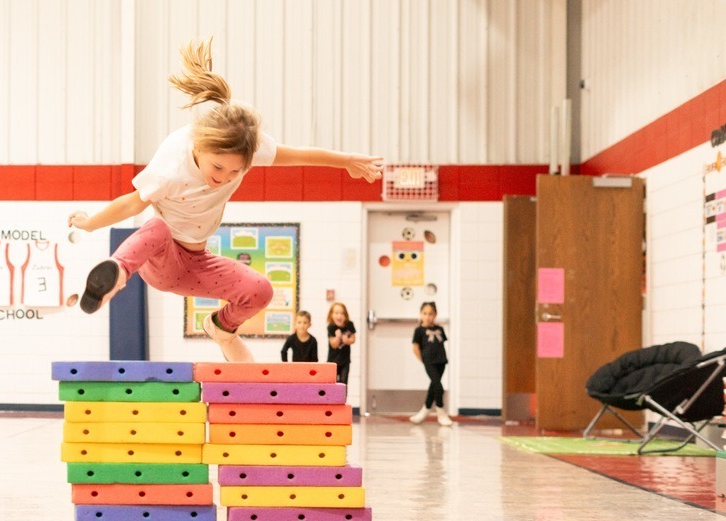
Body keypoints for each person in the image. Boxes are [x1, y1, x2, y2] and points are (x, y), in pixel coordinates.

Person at [67, 37, 384, 362]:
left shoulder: (248, 144)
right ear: (201, 146)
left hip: (197, 264)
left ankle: (221, 326)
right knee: (158, 228)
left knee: (261, 290)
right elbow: (133, 203)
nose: (224, 177)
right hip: (161, 260)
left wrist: (346, 161)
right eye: (217, 167)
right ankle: (117, 274)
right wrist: (91, 223)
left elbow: (298, 155)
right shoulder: (172, 164)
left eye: (236, 172)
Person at [410, 301, 452, 426]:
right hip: (429, 361)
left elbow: (441, 344)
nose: (427, 316)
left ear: (435, 315)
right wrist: (423, 360)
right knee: (439, 387)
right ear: (421, 314)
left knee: (434, 386)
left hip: (441, 361)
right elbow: (415, 348)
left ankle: (423, 412)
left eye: (430, 314)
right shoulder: (419, 330)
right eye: (425, 313)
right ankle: (441, 412)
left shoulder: (440, 329)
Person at [326, 302, 356, 386]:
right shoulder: (331, 327)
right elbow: (333, 344)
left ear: (346, 315)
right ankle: (332, 399)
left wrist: (347, 341)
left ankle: (343, 399)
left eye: (342, 313)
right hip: (333, 360)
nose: (339, 316)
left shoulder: (349, 325)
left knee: (344, 381)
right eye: (336, 313)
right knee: (332, 382)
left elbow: (353, 339)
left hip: (345, 360)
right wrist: (338, 338)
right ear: (331, 315)